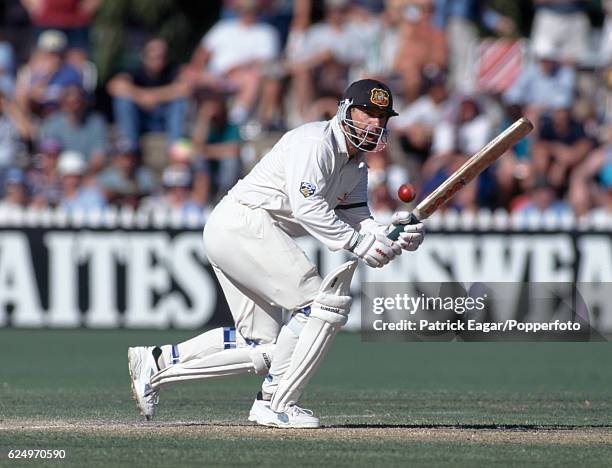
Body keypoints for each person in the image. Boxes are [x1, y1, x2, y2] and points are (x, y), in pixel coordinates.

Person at [127, 79, 425, 428]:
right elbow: (307, 207)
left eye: (382, 118)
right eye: (369, 113)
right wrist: (360, 244)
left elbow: (359, 219)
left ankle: (158, 362)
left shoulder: (356, 166)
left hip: (241, 228)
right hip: (245, 222)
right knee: (321, 305)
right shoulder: (316, 143)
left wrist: (393, 234)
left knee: (266, 347)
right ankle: (276, 402)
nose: (376, 124)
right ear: (346, 110)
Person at [107, 37, 189, 151]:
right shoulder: (134, 69)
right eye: (154, 56)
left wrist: (151, 97)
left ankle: (176, 149)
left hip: (164, 118)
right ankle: (130, 147)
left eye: (162, 56)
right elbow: (114, 86)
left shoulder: (173, 69)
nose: (158, 61)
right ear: (145, 57)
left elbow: (185, 88)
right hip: (140, 118)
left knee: (179, 103)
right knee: (123, 101)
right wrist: (142, 96)